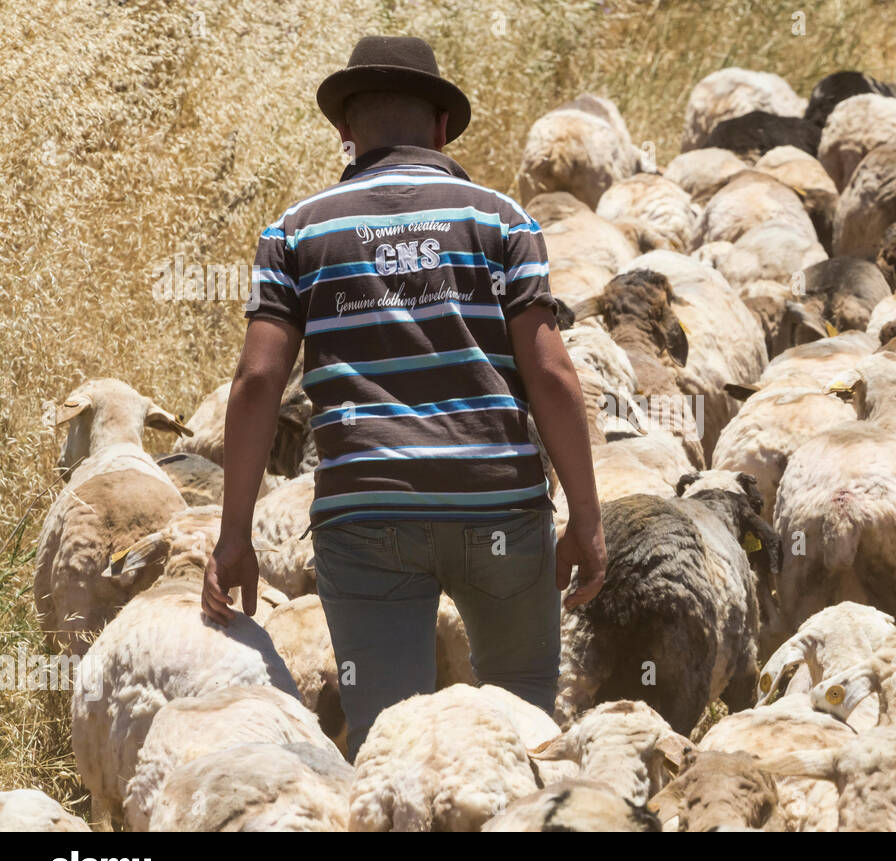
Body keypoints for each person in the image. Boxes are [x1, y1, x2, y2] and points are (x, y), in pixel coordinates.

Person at [200, 35, 606, 760]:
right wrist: (586, 515)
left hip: (367, 516)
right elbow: (552, 373)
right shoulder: (504, 220)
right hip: (500, 509)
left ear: (344, 130)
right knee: (526, 732)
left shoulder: (295, 232)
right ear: (442, 127)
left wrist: (234, 533)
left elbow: (258, 381)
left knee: (394, 745)